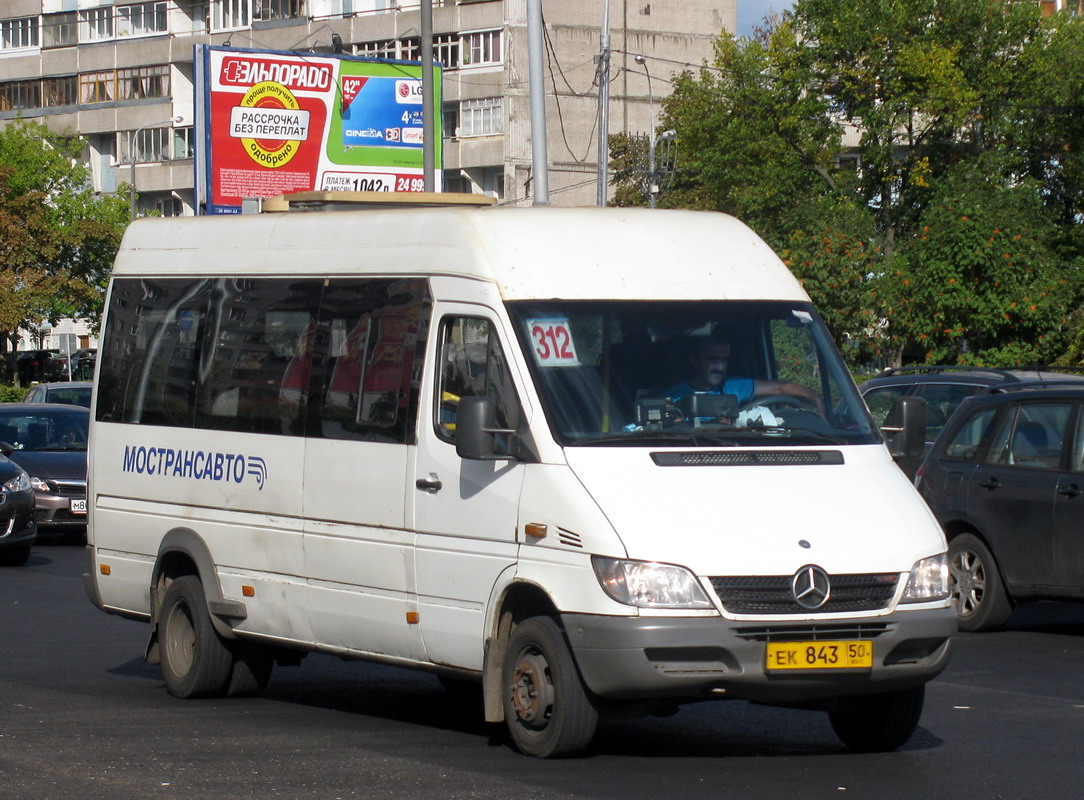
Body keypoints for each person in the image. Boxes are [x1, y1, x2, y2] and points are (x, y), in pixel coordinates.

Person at [667, 336, 824, 414]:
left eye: (724, 359)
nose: (720, 367)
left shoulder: (733, 385)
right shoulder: (676, 395)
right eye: (713, 359)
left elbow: (781, 388)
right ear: (694, 360)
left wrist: (816, 399)